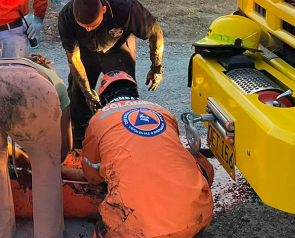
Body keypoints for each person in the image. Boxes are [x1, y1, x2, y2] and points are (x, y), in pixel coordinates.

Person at [82, 71, 214, 238]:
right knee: (196, 160)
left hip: (138, 228)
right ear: (135, 93)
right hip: (197, 220)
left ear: (104, 100)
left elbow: (92, 172)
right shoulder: (162, 111)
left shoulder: (99, 119)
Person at [0, 54, 72, 238]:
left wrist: (21, 157)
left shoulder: (0, 65)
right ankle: (48, 234)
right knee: (46, 167)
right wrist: (51, 160)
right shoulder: (52, 81)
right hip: (29, 89)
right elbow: (65, 142)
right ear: (45, 68)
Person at [58, 0, 164, 147]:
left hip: (118, 48)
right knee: (78, 99)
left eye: (92, 25)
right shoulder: (66, 17)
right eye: (83, 26)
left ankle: (127, 143)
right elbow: (73, 58)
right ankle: (79, 145)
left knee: (123, 98)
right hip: (85, 51)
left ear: (104, 10)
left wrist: (156, 67)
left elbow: (156, 33)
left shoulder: (125, 7)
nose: (87, 29)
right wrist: (87, 92)